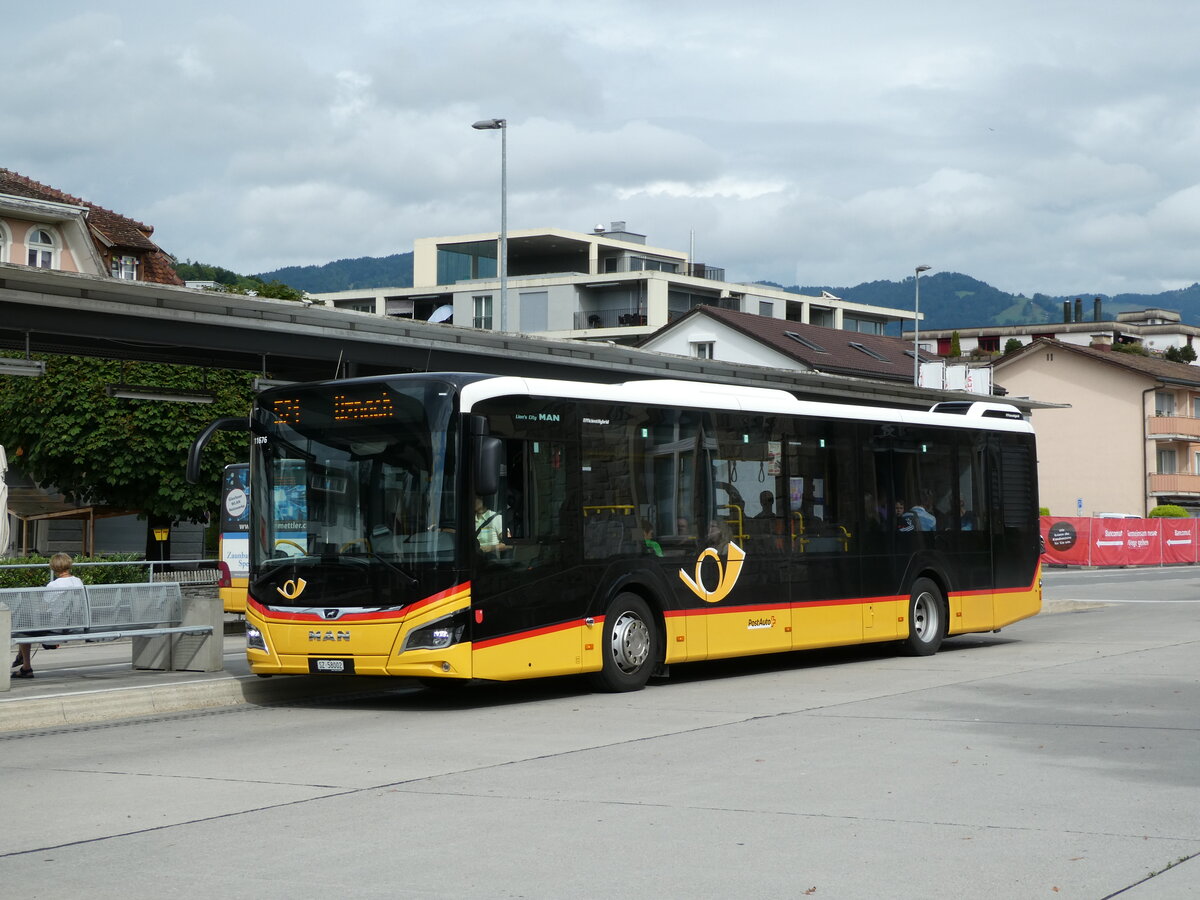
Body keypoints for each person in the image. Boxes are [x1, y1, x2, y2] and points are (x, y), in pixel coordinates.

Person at [11, 552, 84, 679]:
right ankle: (20, 657)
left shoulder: (54, 585)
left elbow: (44, 606)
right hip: (76, 623)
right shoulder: (78, 581)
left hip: (56, 626)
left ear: (53, 568)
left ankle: (26, 667)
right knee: (27, 625)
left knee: (23, 628)